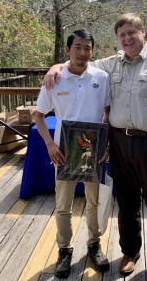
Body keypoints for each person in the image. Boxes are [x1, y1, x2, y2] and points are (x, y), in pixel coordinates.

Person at [43, 13, 147, 281]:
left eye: (131, 33)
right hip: (121, 143)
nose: (127, 39)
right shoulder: (111, 64)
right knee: (126, 202)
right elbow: (79, 61)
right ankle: (129, 253)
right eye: (122, 35)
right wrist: (55, 67)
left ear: (142, 32)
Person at [35, 29, 111, 278]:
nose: (82, 52)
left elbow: (108, 114)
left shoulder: (101, 77)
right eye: (77, 47)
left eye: (87, 48)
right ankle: (64, 250)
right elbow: (39, 116)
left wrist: (106, 144)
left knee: (94, 202)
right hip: (64, 151)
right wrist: (50, 144)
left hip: (93, 151)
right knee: (63, 205)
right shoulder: (54, 80)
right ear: (68, 50)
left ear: (92, 50)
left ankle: (94, 245)